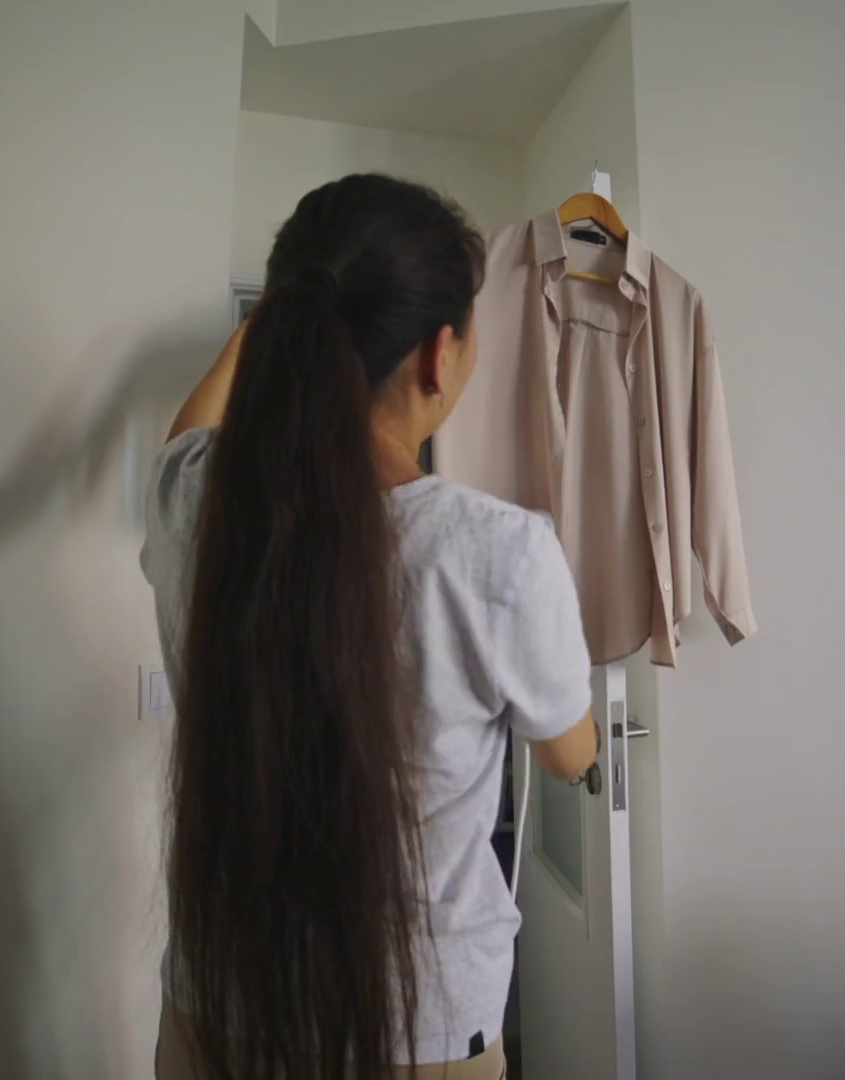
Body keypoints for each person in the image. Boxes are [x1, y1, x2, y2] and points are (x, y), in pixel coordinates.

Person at [140, 174, 599, 1080]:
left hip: (216, 1012)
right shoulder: (499, 552)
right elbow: (568, 753)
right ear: (439, 354)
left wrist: (273, 324)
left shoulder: (193, 503)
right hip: (419, 1033)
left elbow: (184, 436)